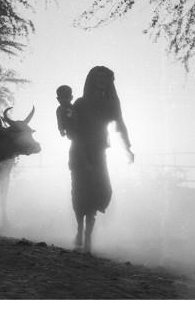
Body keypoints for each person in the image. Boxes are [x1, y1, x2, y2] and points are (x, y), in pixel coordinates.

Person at [69, 66, 135, 254]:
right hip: (80, 151)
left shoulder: (111, 104)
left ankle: (87, 236)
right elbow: (73, 129)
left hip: (99, 153)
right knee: (80, 192)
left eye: (104, 78)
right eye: (98, 77)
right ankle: (80, 231)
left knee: (98, 192)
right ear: (91, 80)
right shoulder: (80, 103)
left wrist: (127, 148)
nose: (101, 80)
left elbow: (120, 125)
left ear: (109, 81)